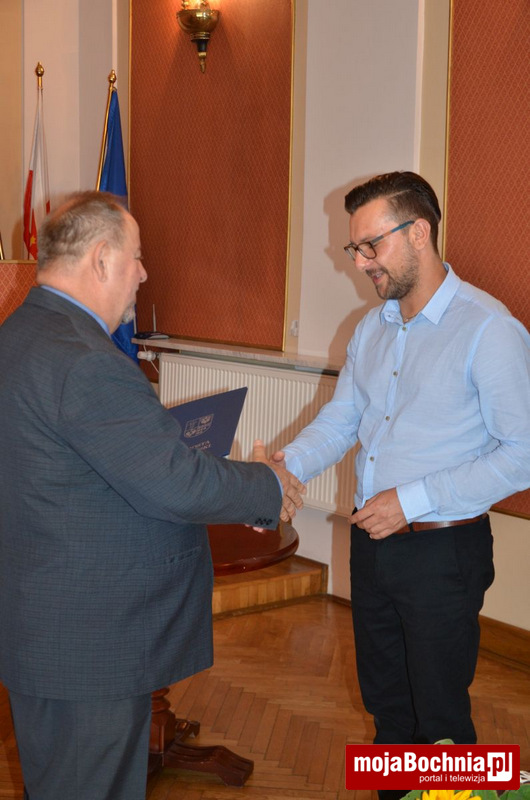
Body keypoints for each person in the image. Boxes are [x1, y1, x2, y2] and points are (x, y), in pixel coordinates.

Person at [0, 191, 305, 800]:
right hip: (90, 644)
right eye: (136, 257)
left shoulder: (20, 332)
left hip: (47, 623)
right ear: (101, 259)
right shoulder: (85, 360)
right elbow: (174, 483)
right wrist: (267, 484)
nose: (143, 273)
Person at [270, 171, 530, 800]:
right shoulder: (374, 327)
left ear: (419, 233)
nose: (360, 262)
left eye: (371, 245)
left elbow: (522, 455)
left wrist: (411, 501)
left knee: (441, 727)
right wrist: (286, 466)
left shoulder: (488, 329)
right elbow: (343, 419)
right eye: (354, 248)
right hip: (373, 545)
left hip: (443, 551)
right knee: (387, 712)